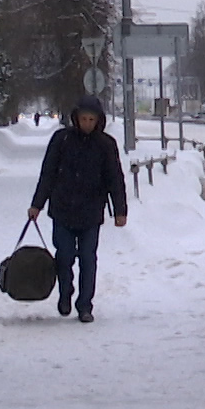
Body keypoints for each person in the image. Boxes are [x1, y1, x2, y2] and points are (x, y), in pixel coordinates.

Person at [28, 95, 127, 323]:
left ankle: (85, 305)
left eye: (92, 119)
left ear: (99, 120)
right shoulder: (61, 140)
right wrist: (37, 205)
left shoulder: (106, 145)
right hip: (62, 209)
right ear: (76, 118)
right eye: (83, 119)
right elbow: (48, 174)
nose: (87, 124)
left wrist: (120, 210)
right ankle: (65, 293)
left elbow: (115, 179)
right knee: (64, 256)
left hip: (91, 212)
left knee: (88, 259)